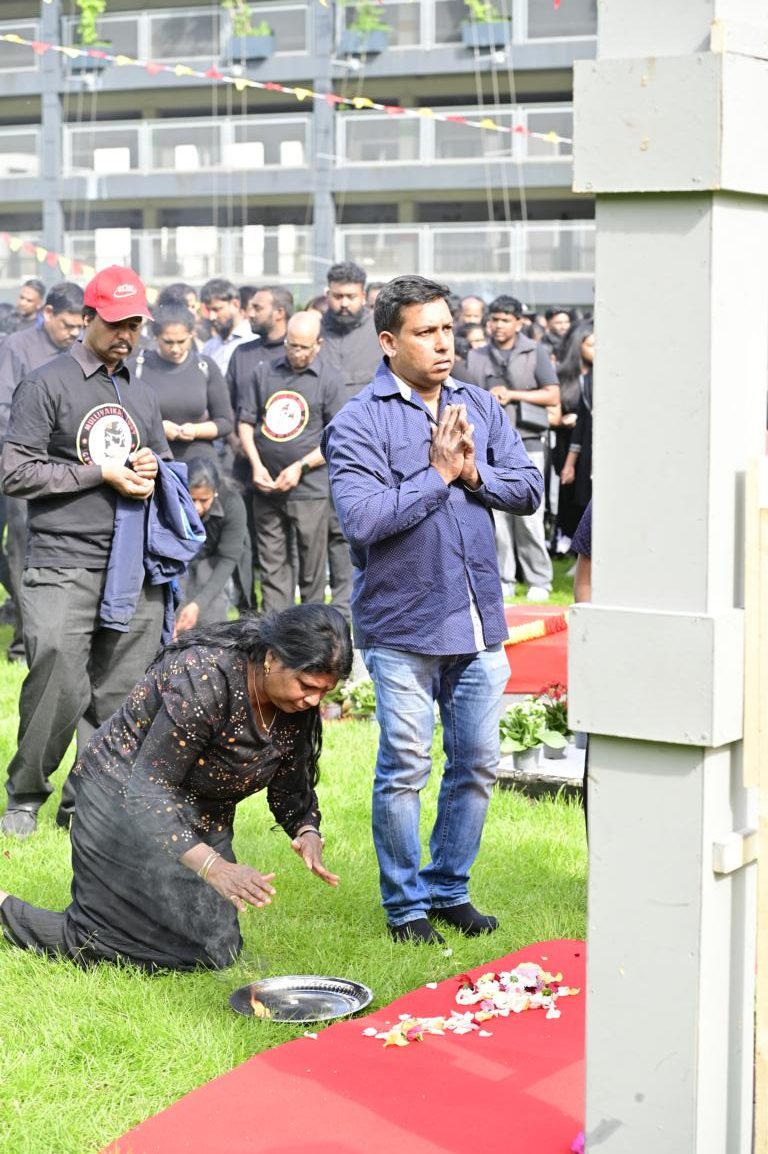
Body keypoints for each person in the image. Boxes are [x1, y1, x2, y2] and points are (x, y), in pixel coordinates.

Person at [322, 274, 544, 944]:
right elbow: (363, 520)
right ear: (389, 342)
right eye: (426, 332)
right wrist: (439, 474)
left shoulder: (478, 403)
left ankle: (449, 890)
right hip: (403, 626)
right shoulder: (358, 421)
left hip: (477, 621)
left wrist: (473, 474)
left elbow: (527, 488)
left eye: (448, 329)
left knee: (476, 764)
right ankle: (406, 909)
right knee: (405, 770)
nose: (444, 343)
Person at [0, 605, 353, 970]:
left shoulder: (296, 709)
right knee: (98, 942)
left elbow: (290, 787)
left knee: (217, 951)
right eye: (306, 686)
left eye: (324, 692)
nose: (313, 700)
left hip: (199, 818)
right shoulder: (205, 678)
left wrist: (307, 832)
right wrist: (214, 867)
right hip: (117, 804)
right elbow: (147, 792)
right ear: (272, 657)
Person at [0, 265, 171, 839]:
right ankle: (25, 796)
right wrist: (101, 473)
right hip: (61, 558)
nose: (126, 335)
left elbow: (162, 461)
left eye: (135, 325)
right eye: (116, 323)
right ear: (87, 318)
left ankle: (87, 804)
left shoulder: (141, 392)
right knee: (57, 680)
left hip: (131, 564)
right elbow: (15, 472)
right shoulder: (46, 383)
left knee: (119, 694)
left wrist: (151, 466)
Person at [0, 282, 85, 661]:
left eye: (80, 326)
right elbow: (3, 409)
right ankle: (24, 640)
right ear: (47, 313)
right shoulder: (18, 346)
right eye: (67, 325)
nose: (74, 332)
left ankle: (61, 634)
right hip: (27, 464)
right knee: (21, 550)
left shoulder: (79, 350)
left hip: (73, 468)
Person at [238, 311, 346, 612]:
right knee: (272, 566)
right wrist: (256, 465)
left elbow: (337, 438)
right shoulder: (264, 373)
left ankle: (312, 629)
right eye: (291, 345)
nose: (296, 353)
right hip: (267, 486)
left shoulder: (329, 379)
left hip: (309, 489)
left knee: (311, 569)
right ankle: (275, 628)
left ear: (318, 344)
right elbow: (245, 423)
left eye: (303, 347)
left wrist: (301, 466)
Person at [466, 293, 559, 601]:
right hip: (487, 445)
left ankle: (539, 579)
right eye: (494, 319)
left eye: (505, 320)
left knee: (531, 517)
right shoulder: (476, 356)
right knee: (497, 516)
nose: (498, 325)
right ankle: (504, 577)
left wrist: (513, 395)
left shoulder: (535, 351)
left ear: (519, 322)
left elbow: (552, 395)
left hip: (528, 440)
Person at [131, 305, 233, 465]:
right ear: (156, 337)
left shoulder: (205, 366)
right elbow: (124, 419)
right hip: (152, 462)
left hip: (200, 463)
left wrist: (196, 430)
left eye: (182, 341)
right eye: (168, 342)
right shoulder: (137, 368)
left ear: (191, 335)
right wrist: (158, 429)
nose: (175, 349)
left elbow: (225, 422)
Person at [174, 456, 252, 634]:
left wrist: (198, 604)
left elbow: (227, 559)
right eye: (191, 499)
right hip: (182, 558)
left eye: (204, 500)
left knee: (210, 608)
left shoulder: (232, 502)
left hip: (217, 559)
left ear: (215, 492)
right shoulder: (173, 500)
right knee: (175, 607)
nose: (197, 507)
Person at [550, 320, 594, 548]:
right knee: (570, 497)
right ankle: (566, 540)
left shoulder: (598, 376)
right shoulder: (564, 376)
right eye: (591, 345)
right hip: (567, 440)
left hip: (586, 441)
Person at [200, 278, 254, 375]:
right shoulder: (209, 347)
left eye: (217, 309)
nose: (212, 317)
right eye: (209, 310)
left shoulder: (253, 341)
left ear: (235, 304)